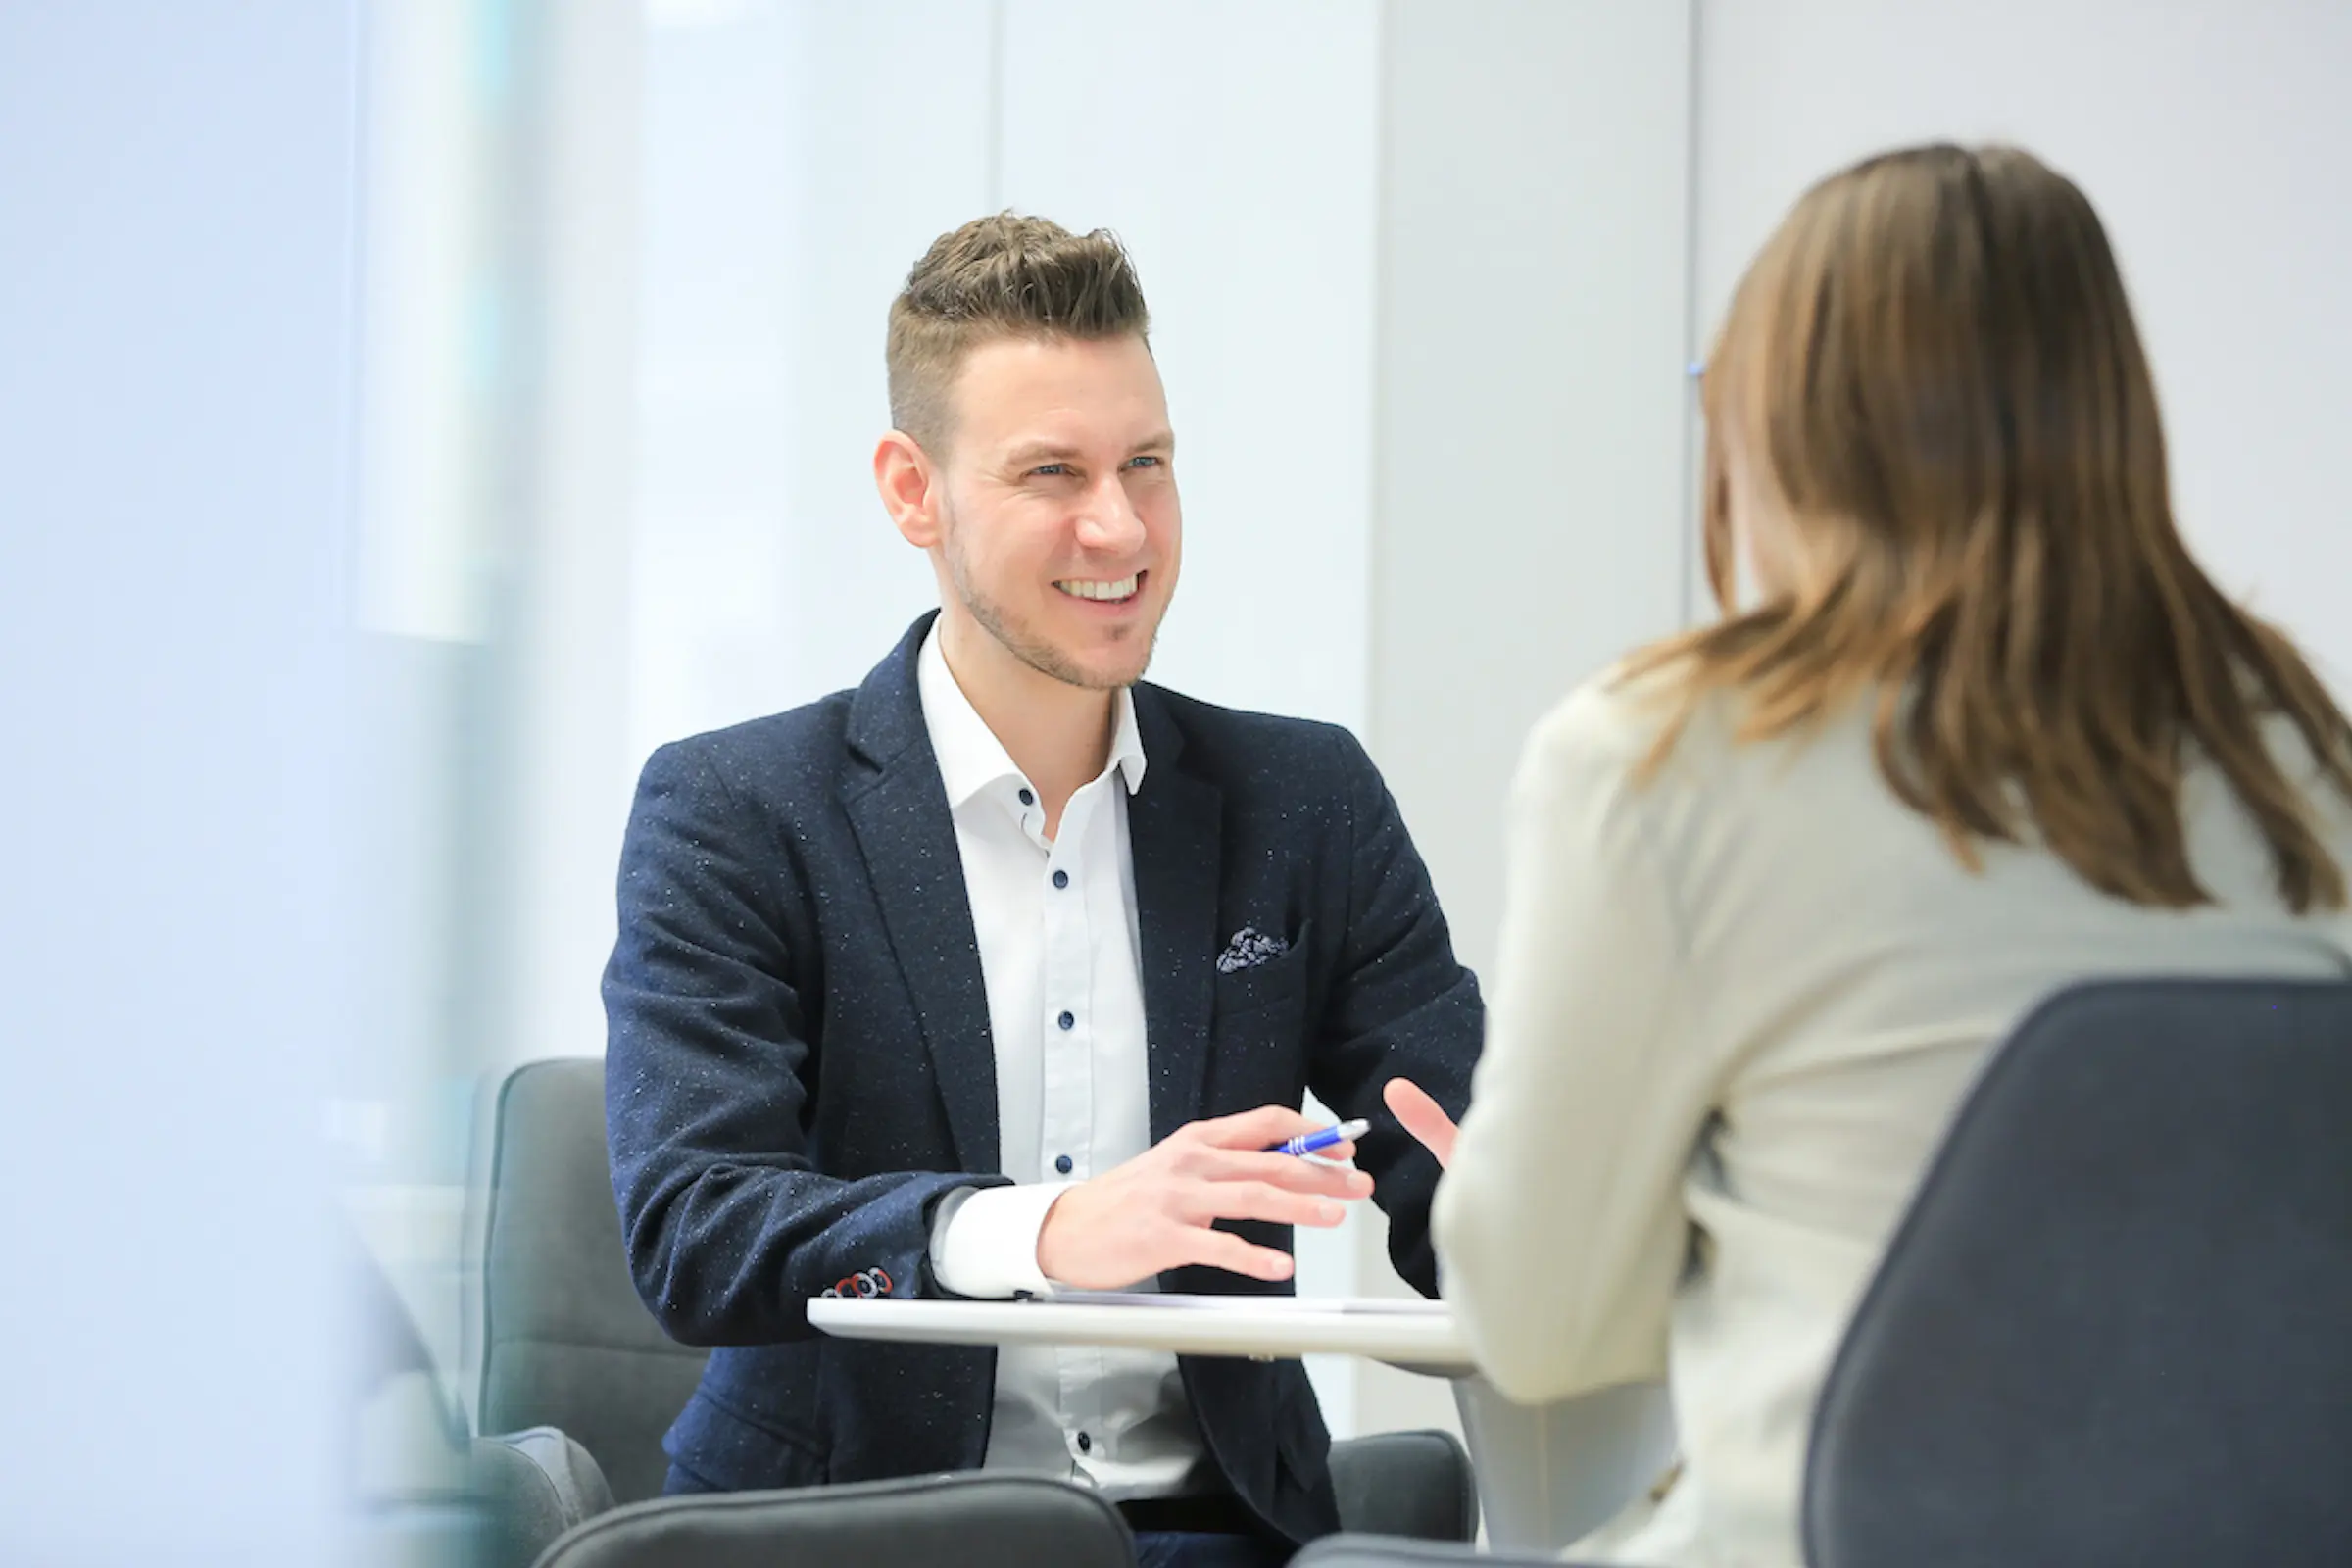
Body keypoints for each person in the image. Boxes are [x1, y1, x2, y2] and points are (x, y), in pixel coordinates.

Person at [1398, 142, 2352, 1567]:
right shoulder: (2295, 749)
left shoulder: (1664, 752)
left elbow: (1537, 1336)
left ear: (1788, 423)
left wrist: (1552, 1192)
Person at [602, 213, 1480, 1568]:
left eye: (1147, 463)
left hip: (1214, 1531)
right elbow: (697, 1224)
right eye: (1053, 472)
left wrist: (1519, 1220)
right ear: (914, 491)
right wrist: (1049, 1228)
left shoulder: (1303, 801)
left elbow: (1449, 1151)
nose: (1119, 525)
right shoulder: (738, 811)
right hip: (860, 1536)